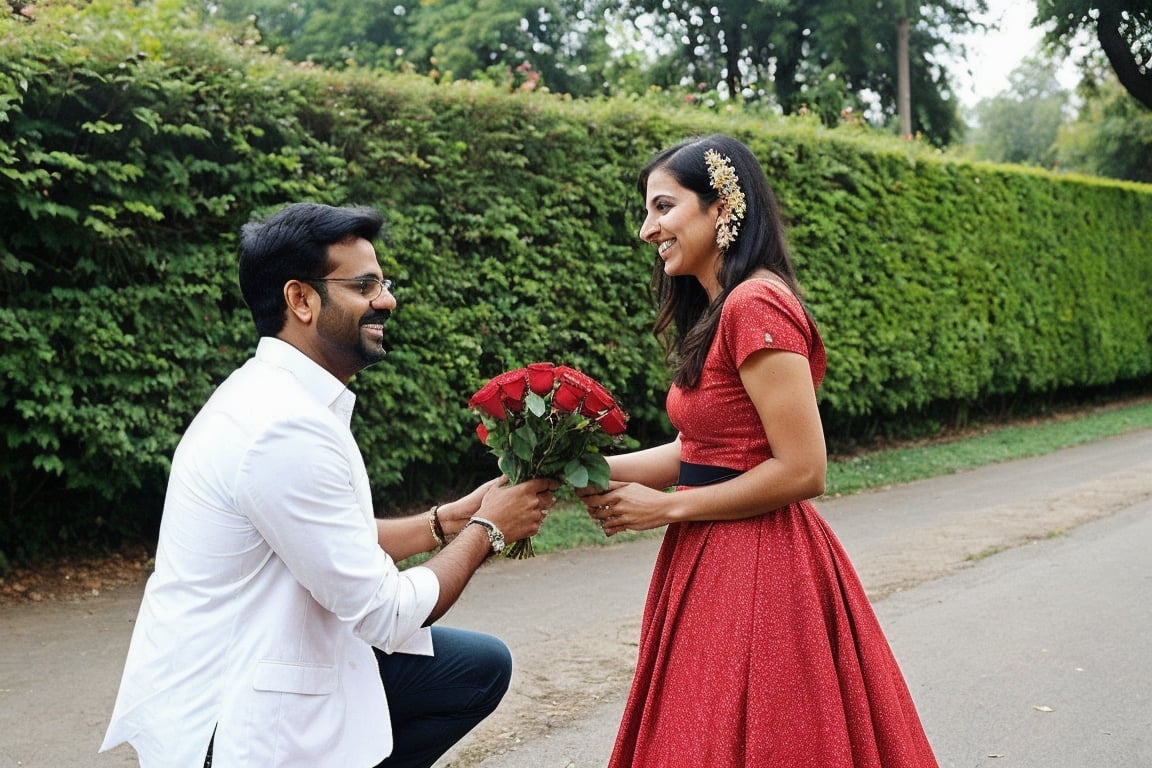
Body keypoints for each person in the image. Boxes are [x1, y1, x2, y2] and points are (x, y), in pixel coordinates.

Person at [100, 202, 557, 768]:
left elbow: (325, 537)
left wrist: (448, 521)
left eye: (383, 282)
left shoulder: (275, 394)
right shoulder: (282, 426)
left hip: (258, 659)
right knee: (458, 662)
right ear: (301, 300)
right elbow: (384, 615)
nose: (387, 300)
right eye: (365, 285)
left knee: (477, 666)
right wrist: (490, 530)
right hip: (233, 710)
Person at [579, 136, 938, 767]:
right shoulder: (721, 307)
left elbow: (804, 468)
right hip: (714, 554)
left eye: (663, 207)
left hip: (761, 565)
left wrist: (665, 510)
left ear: (721, 208)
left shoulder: (756, 303)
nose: (647, 229)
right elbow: (704, 447)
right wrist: (582, 467)